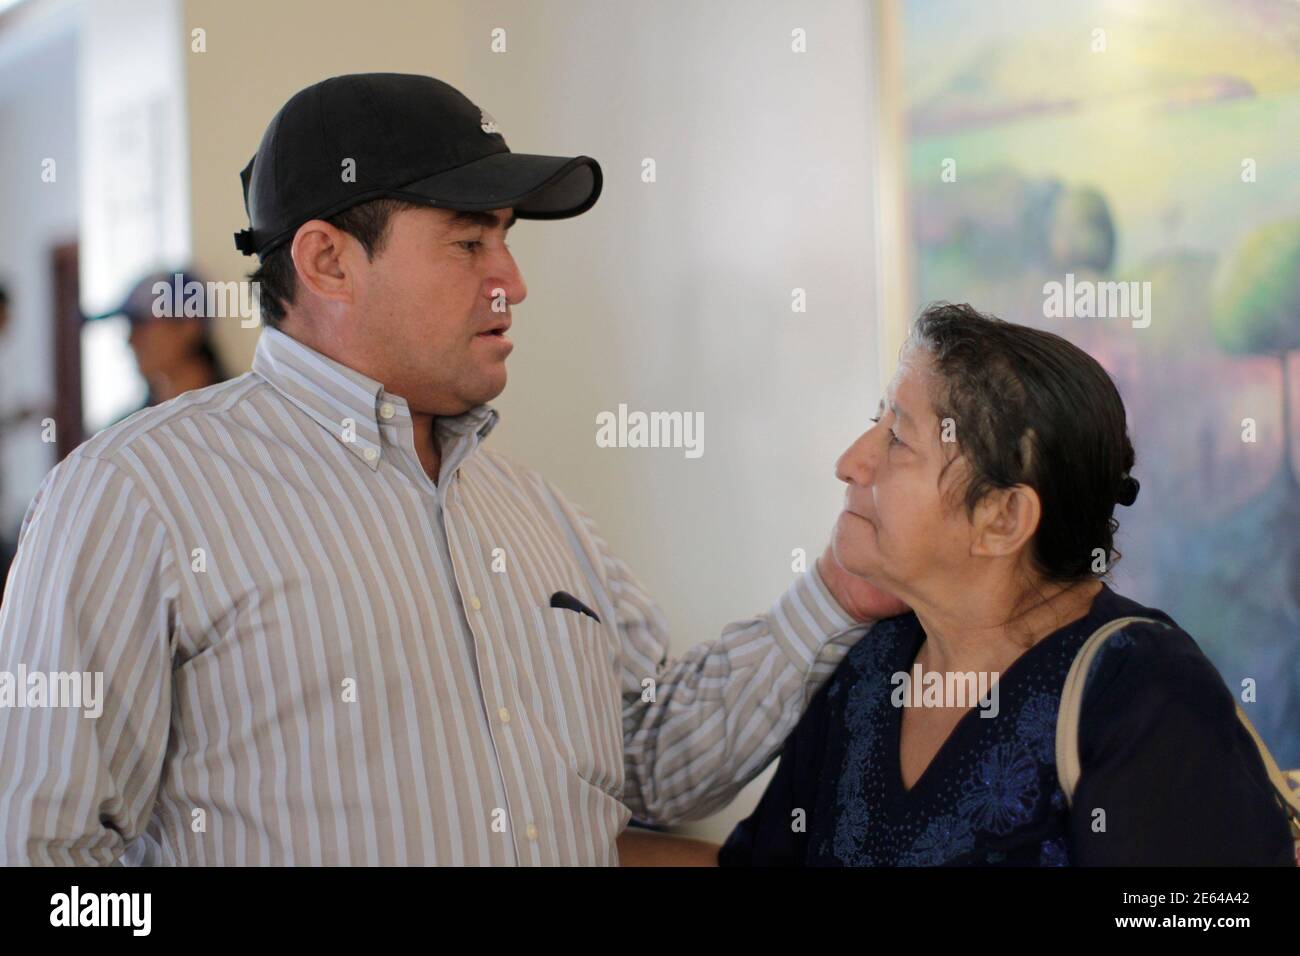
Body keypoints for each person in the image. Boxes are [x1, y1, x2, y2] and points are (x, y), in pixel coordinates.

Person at [0, 73, 902, 866]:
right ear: (327, 261)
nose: (511, 278)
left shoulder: (533, 514)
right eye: (469, 242)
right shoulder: (134, 497)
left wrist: (836, 591)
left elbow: (655, 762)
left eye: (506, 239)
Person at [720, 302, 1296, 866]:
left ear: (1002, 519)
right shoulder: (869, 672)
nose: (850, 462)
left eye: (899, 440)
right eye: (878, 423)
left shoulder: (1141, 690)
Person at [84, 270, 230, 421]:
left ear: (188, 325)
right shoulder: (130, 429)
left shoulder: (241, 414)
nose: (131, 340)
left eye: (140, 324)